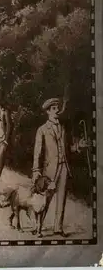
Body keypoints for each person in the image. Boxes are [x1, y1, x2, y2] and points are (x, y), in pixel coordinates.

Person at [32, 97, 90, 237]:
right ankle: (37, 225)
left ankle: (58, 228)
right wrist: (36, 171)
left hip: (64, 167)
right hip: (49, 170)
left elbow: (69, 149)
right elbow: (37, 152)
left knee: (62, 199)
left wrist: (79, 146)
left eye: (57, 108)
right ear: (47, 111)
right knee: (45, 199)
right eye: (53, 108)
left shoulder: (63, 128)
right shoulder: (42, 129)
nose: (56, 110)